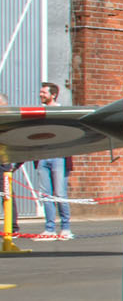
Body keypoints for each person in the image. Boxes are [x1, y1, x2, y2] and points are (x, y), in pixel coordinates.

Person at [33, 82, 72, 239]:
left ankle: (66, 228)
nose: (41, 94)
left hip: (59, 156)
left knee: (60, 193)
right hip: (42, 156)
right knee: (45, 195)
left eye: (44, 92)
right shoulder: (38, 112)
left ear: (53, 94)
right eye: (41, 92)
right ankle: (49, 228)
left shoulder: (61, 111)